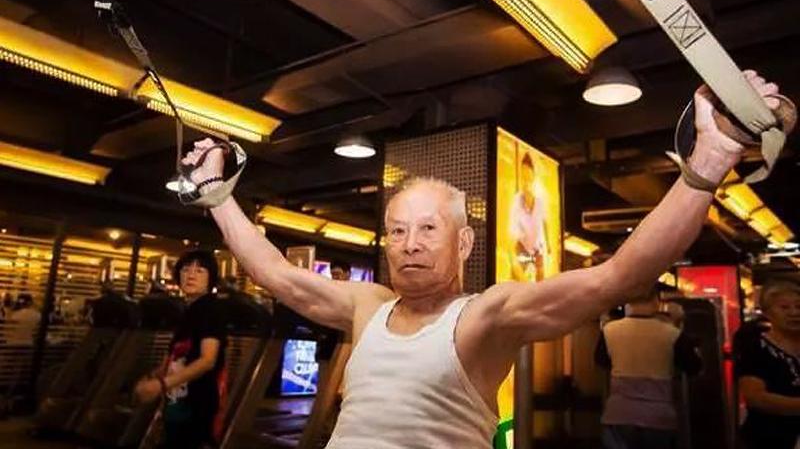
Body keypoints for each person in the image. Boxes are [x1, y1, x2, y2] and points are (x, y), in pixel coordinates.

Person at [182, 71, 776, 449]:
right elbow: (274, 272)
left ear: (464, 243)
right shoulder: (367, 306)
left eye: (427, 229)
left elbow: (620, 276)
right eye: (397, 231)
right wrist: (217, 195)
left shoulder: (485, 317)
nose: (410, 243)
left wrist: (710, 160)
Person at [134, 250, 228, 449]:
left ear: (211, 278)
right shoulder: (189, 311)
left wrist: (161, 384)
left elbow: (208, 360)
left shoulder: (210, 310)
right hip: (177, 403)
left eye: (200, 270)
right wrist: (151, 378)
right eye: (186, 270)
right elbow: (174, 357)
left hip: (198, 405)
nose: (191, 275)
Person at [595, 286, 702, 449]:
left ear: (629, 303)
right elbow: (694, 367)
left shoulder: (609, 331)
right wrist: (678, 323)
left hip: (619, 414)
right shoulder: (671, 334)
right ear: (656, 302)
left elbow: (601, 361)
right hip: (658, 417)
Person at [735, 281, 800, 449]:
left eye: (798, 306)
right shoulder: (755, 347)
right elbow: (755, 397)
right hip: (769, 438)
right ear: (767, 313)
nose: (794, 312)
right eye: (784, 308)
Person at [509, 152, 548, 282]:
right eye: (523, 177)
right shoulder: (516, 201)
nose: (525, 182)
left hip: (537, 250)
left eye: (528, 177)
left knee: (541, 284)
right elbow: (512, 234)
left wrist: (547, 247)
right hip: (521, 249)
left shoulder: (540, 202)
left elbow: (544, 223)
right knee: (518, 284)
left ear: (533, 177)